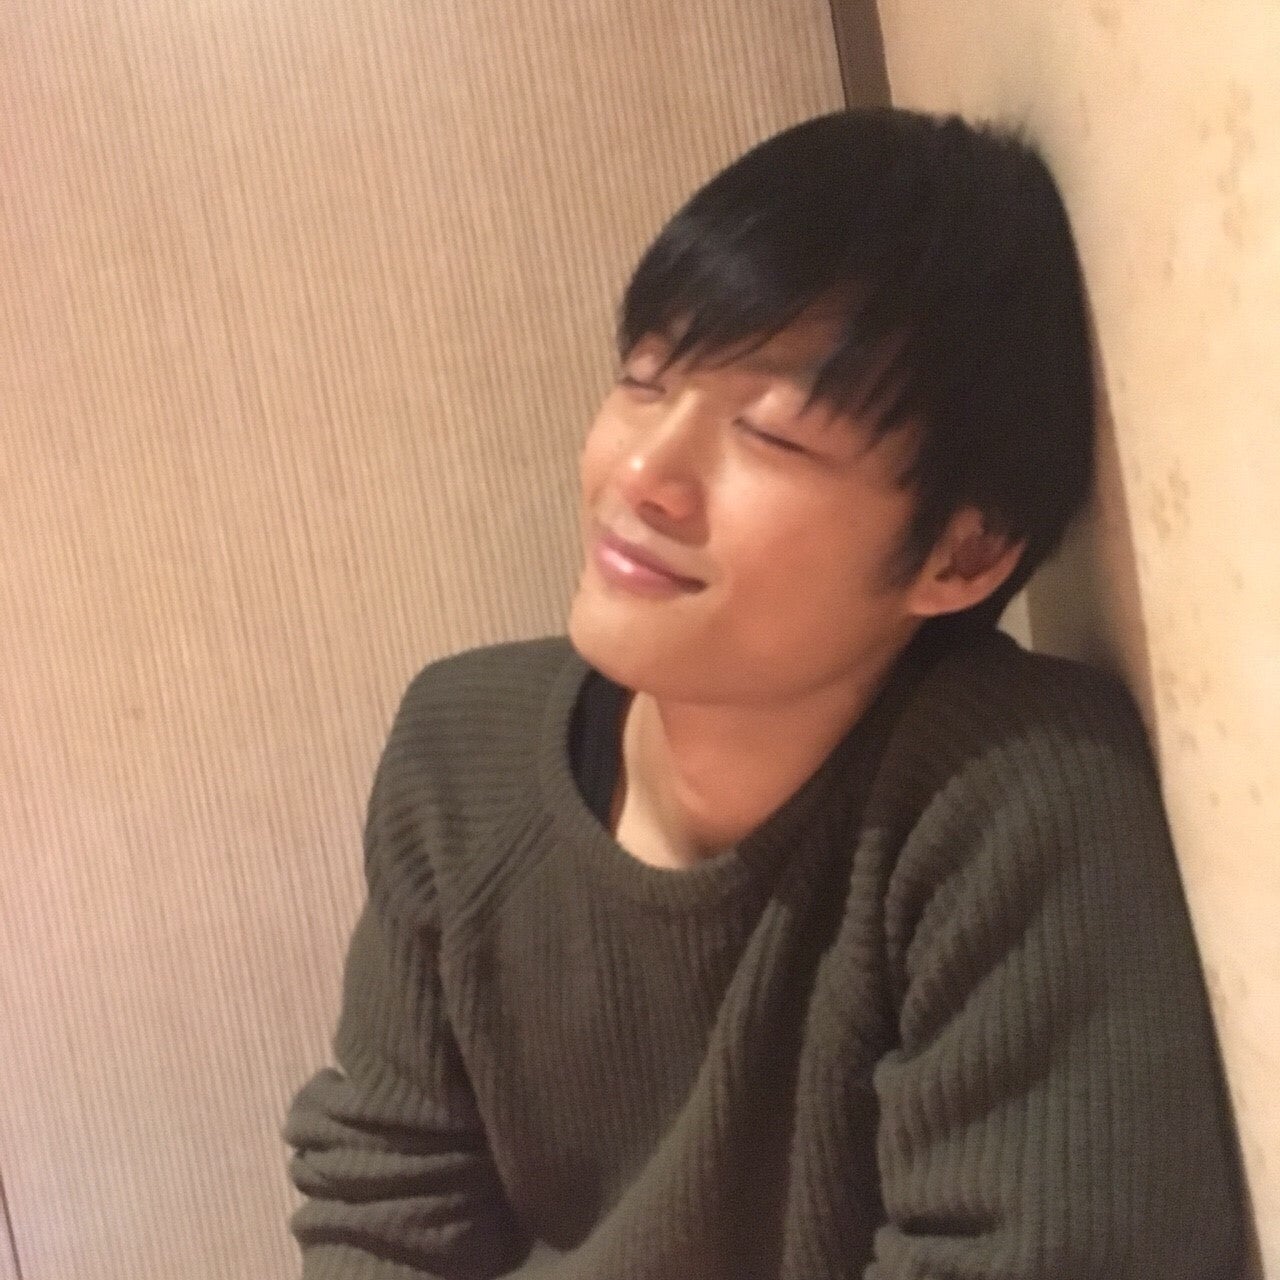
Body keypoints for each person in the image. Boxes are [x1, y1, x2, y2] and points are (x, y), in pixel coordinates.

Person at [283, 108, 1246, 1279]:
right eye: (644, 379)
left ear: (961, 553)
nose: (642, 472)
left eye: (771, 435)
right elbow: (385, 1205)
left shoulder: (1008, 795)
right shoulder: (456, 750)